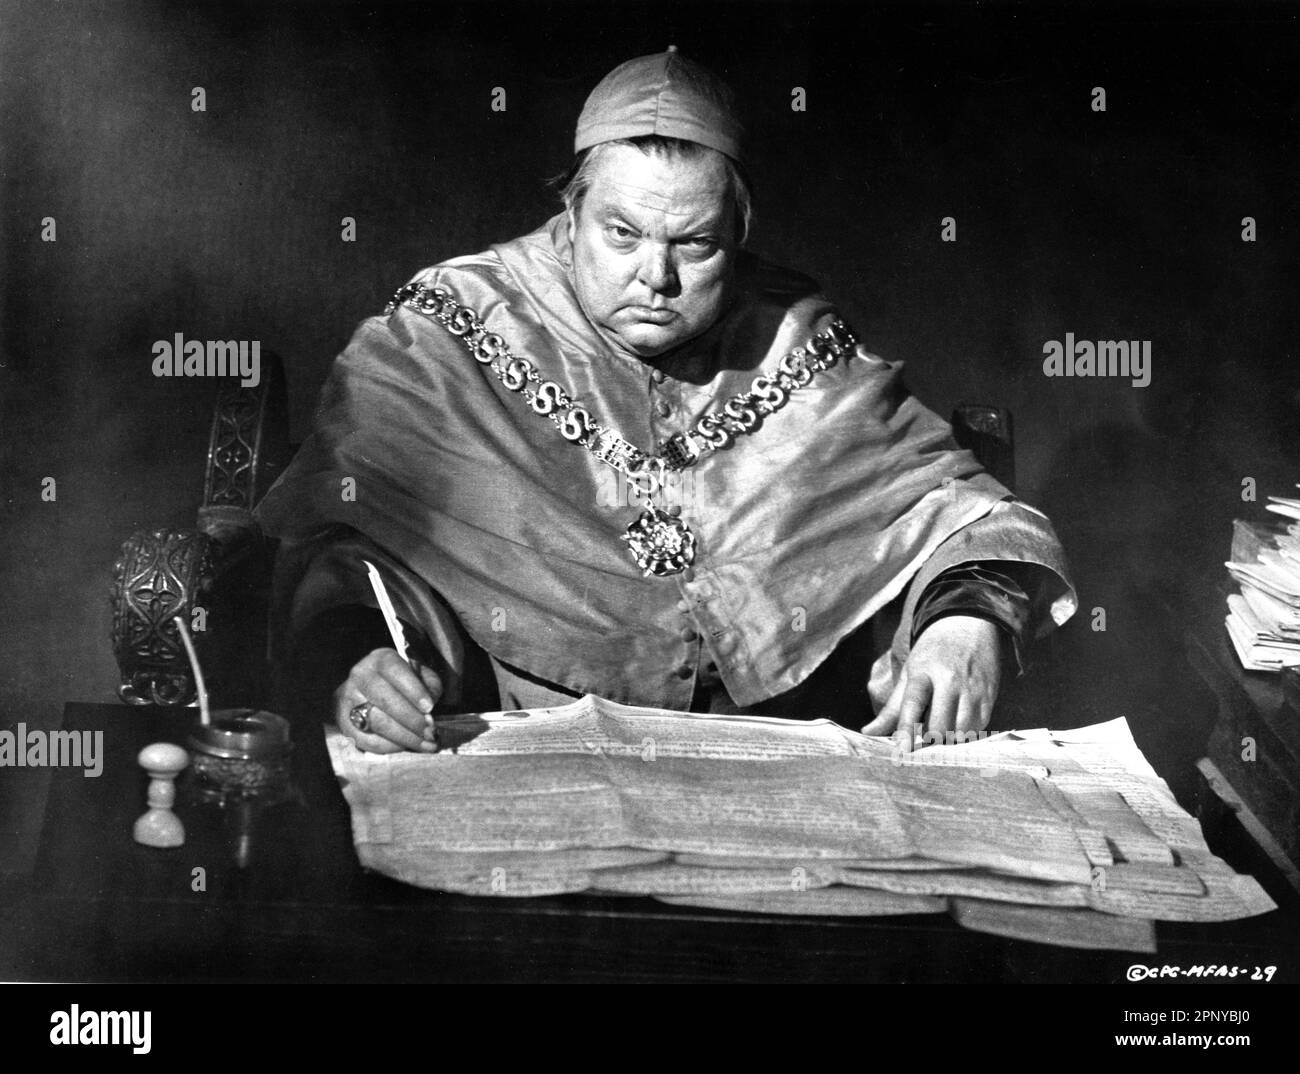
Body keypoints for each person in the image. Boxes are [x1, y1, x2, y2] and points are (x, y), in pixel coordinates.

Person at [255, 48, 1076, 756]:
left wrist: (963, 622)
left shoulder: (797, 341)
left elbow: (958, 514)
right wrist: (358, 662)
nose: (657, 276)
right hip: (513, 752)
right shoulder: (445, 334)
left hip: (776, 767)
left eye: (696, 244)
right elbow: (351, 545)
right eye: (622, 234)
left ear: (739, 233)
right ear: (571, 211)